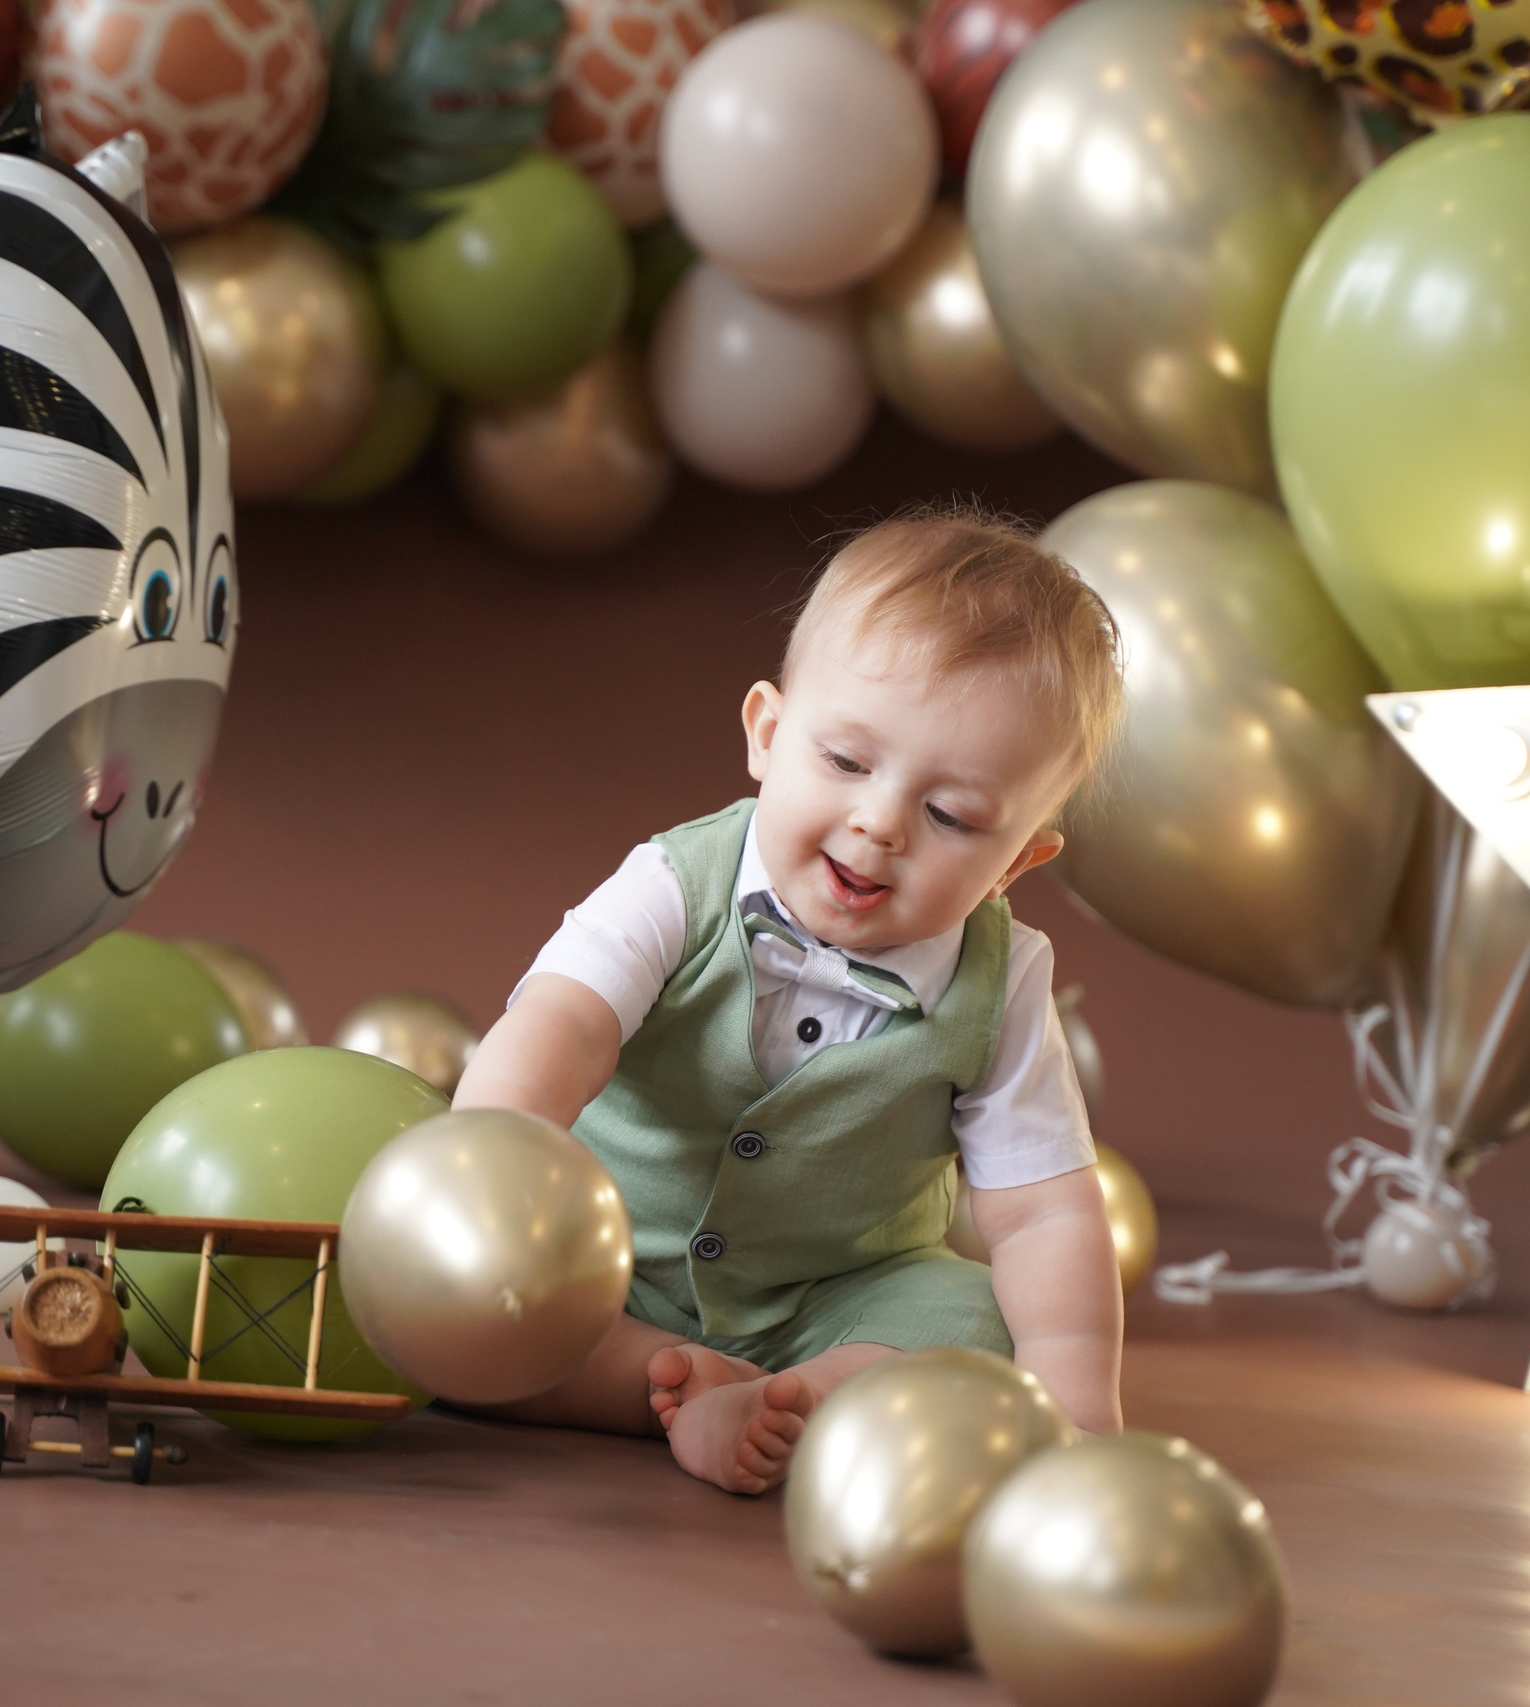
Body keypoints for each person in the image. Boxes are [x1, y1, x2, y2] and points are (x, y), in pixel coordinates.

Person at [454, 504, 1128, 1494]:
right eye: (847, 763)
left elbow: (1040, 1219)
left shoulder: (1004, 980)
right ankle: (658, 1381)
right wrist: (494, 1161)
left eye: (950, 816)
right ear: (767, 734)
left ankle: (796, 1396)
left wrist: (1078, 1411)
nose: (879, 823)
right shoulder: (671, 882)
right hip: (608, 1264)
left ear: (1016, 860)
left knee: (977, 1322)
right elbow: (561, 1023)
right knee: (474, 1313)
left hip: (834, 1295)